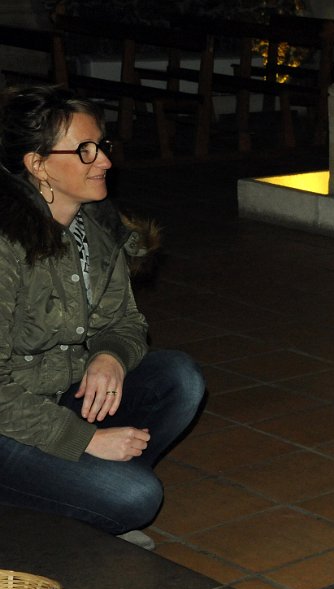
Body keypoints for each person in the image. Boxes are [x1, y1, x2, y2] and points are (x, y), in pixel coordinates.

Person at [0, 85, 205, 549]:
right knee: (137, 497)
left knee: (179, 378)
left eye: (103, 146)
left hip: (61, 394)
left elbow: (126, 323)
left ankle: (75, 495)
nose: (106, 161)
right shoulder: (5, 244)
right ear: (38, 165)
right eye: (85, 151)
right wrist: (84, 440)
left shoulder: (94, 228)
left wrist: (109, 356)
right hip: (7, 422)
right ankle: (56, 497)